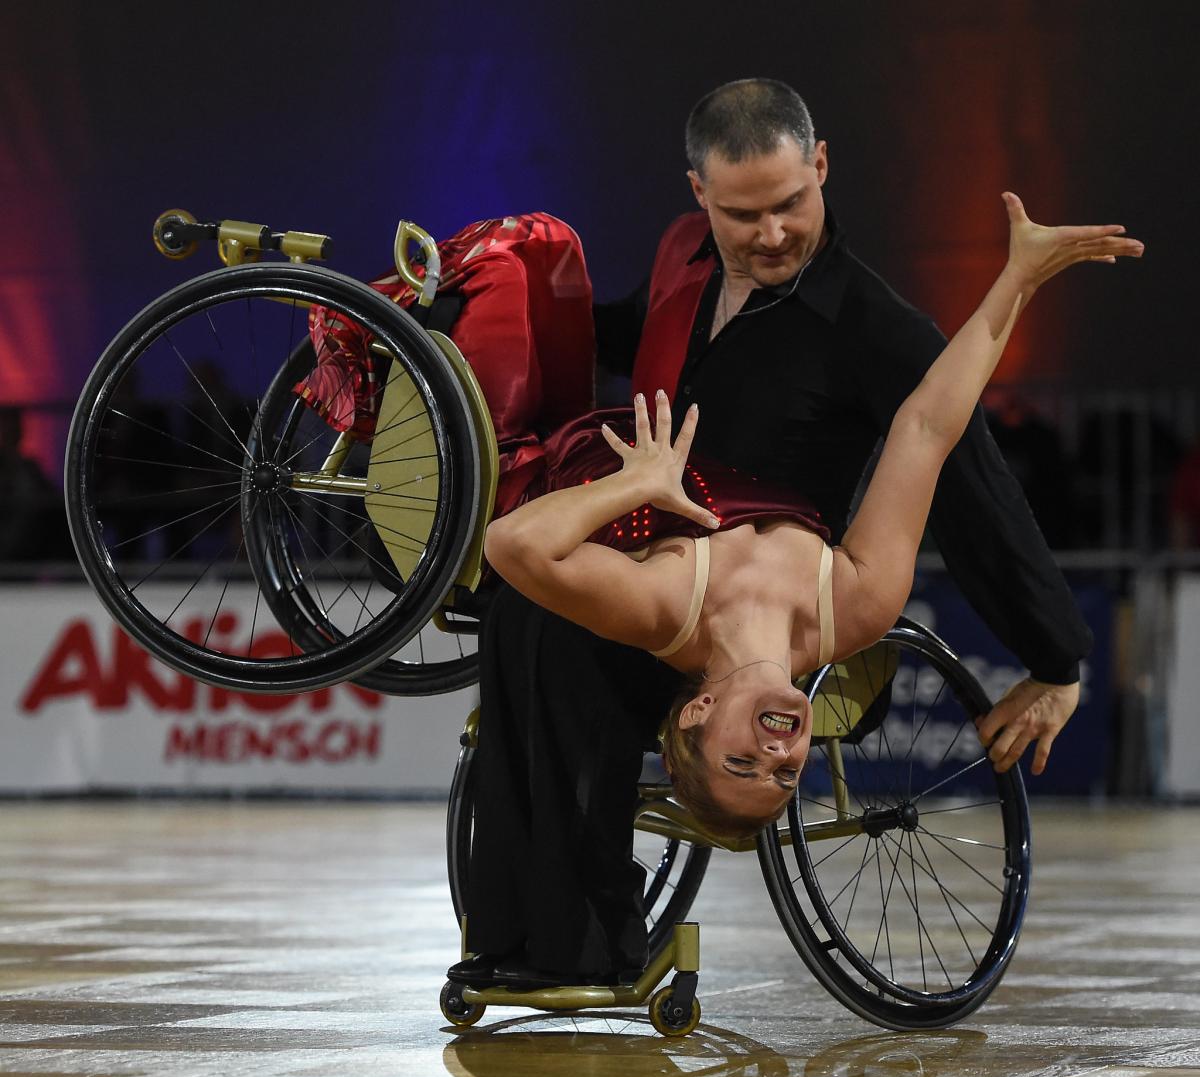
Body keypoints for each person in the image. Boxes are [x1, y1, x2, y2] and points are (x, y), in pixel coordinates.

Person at [452, 78, 1136, 990]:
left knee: (549, 630)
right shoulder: (685, 256)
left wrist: (1056, 656)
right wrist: (479, 313)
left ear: (820, 167)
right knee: (516, 612)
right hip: (654, 543)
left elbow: (955, 454)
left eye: (790, 204)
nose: (772, 234)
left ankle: (581, 946)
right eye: (744, 214)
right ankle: (512, 937)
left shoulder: (871, 326)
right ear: (699, 193)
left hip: (726, 603)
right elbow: (632, 333)